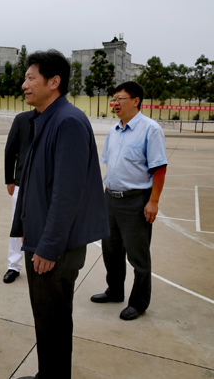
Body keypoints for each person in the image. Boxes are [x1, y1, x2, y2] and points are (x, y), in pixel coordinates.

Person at [11, 50, 109, 379]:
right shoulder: (48, 118)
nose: (24, 84)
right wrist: (28, 228)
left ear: (54, 82)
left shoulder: (67, 122)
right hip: (42, 238)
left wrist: (48, 245)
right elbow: (39, 183)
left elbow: (67, 193)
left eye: (30, 78)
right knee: (47, 318)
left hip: (56, 248)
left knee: (52, 319)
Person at [91, 81, 167, 321]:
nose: (115, 103)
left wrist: (153, 201)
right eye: (114, 99)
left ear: (136, 101)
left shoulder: (150, 129)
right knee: (110, 251)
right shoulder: (114, 131)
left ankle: (139, 302)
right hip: (110, 199)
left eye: (120, 98)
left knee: (138, 256)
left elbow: (159, 168)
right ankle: (115, 291)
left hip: (136, 201)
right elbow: (110, 166)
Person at [3, 110, 33, 283]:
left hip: (47, 184)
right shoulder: (22, 119)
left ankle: (38, 263)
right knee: (18, 225)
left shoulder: (55, 118)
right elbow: (11, 149)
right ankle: (14, 266)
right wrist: (10, 179)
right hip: (21, 182)